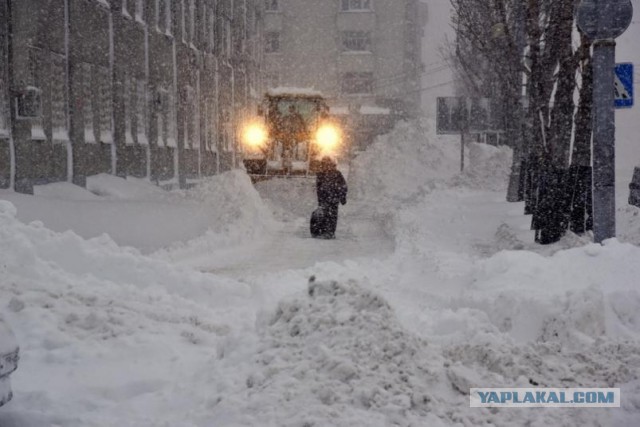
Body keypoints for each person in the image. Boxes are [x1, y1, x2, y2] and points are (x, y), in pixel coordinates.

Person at [314, 157, 347, 239]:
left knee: (328, 215)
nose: (326, 166)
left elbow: (319, 188)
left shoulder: (322, 174)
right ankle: (329, 232)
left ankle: (327, 232)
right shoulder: (335, 174)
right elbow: (343, 186)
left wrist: (342, 197)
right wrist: (342, 197)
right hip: (331, 198)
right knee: (331, 216)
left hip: (328, 198)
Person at [278, 105, 307, 173]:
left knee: (299, 149)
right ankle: (284, 164)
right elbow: (281, 126)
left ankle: (294, 162)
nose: (291, 111)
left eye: (292, 109)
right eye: (290, 109)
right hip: (286, 139)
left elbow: (303, 127)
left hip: (298, 139)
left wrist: (298, 134)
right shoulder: (285, 118)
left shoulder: (299, 118)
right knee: (285, 150)